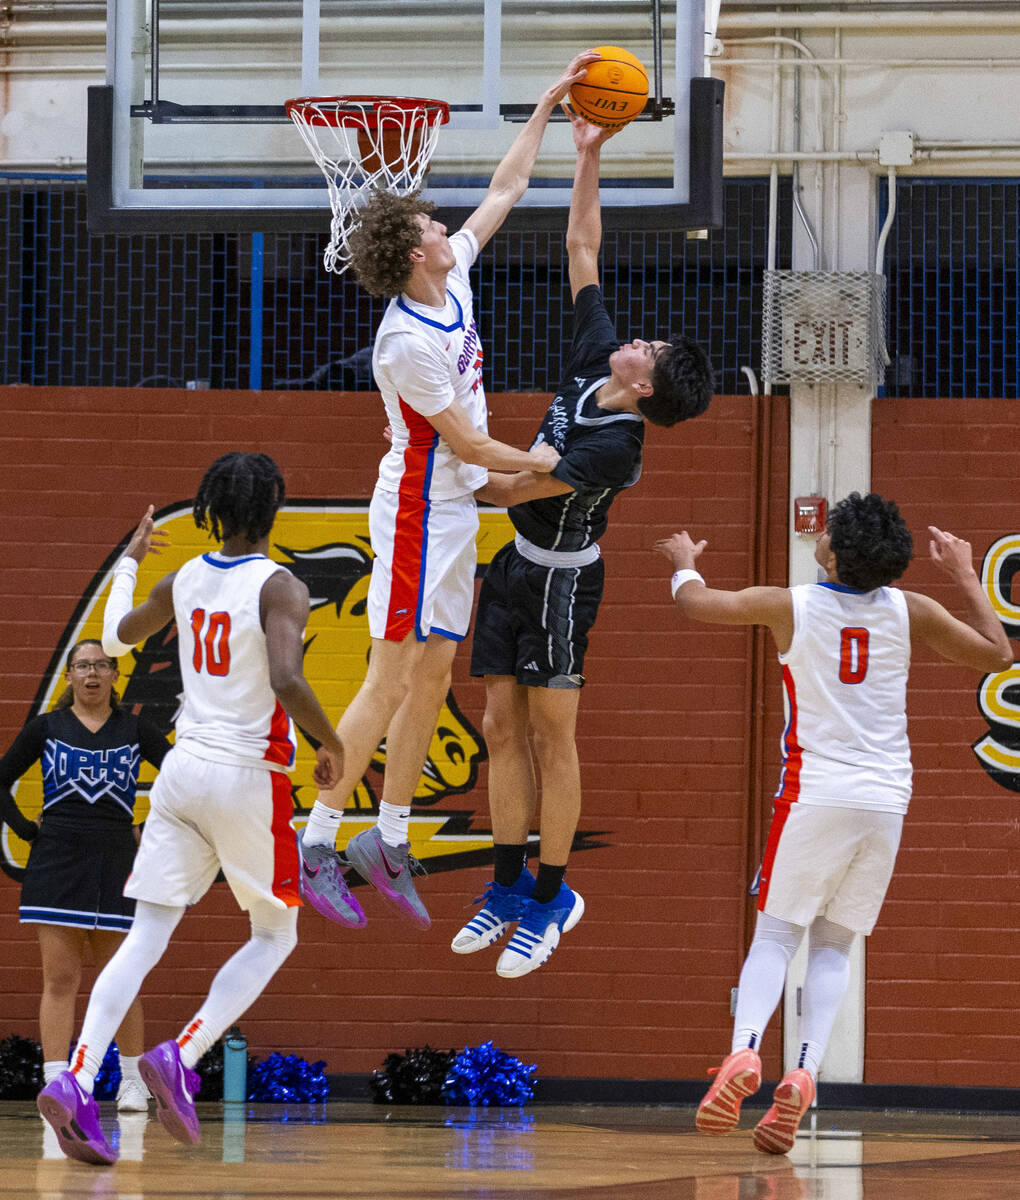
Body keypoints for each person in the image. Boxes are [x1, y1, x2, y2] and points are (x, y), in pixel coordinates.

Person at [295, 56, 610, 930]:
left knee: (432, 677)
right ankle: (316, 840)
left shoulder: (454, 275)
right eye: (432, 223)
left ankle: (388, 837)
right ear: (413, 253)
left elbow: (507, 189)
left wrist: (548, 109)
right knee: (387, 678)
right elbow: (467, 444)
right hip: (415, 510)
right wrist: (547, 466)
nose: (445, 224)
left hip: (455, 507)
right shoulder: (404, 342)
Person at [654, 492, 1012, 1154]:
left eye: (828, 532)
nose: (819, 536)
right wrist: (965, 573)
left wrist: (683, 562)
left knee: (775, 935)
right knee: (835, 945)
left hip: (815, 791)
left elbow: (696, 604)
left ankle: (744, 1052)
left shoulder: (791, 604)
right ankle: (805, 1072)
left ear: (836, 554)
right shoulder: (911, 610)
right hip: (886, 800)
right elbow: (998, 656)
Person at [448, 108, 714, 979]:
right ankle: (505, 886)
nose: (639, 338)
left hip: (564, 582)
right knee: (499, 727)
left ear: (649, 389)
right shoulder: (599, 357)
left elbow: (513, 488)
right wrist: (588, 155)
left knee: (550, 738)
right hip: (514, 565)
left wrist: (441, 452)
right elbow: (582, 248)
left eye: (652, 348)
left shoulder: (618, 449)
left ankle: (554, 896)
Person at [36, 453, 345, 1165]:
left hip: (180, 772)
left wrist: (128, 563)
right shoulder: (282, 585)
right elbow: (287, 677)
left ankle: (77, 1077)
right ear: (272, 511)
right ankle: (184, 1051)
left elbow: (117, 637)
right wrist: (329, 741)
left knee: (145, 934)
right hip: (245, 774)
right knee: (275, 933)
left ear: (212, 512)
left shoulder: (184, 577)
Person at [0, 639, 171, 1112]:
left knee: (120, 978)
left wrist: (147, 829)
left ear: (115, 674)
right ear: (70, 675)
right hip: (57, 860)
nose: (91, 673)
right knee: (60, 978)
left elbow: (184, 781)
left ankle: (133, 1082)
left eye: (100, 665)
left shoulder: (135, 729)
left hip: (117, 859)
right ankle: (59, 1083)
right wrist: (25, 829)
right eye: (82, 666)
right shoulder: (46, 727)